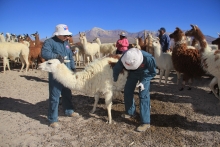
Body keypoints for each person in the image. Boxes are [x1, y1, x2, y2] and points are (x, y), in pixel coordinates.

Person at [41, 24, 79, 128]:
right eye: (65, 35)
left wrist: (73, 68)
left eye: (67, 35)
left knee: (67, 93)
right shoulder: (49, 42)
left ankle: (69, 111)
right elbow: (44, 53)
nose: (67, 37)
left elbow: (70, 56)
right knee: (55, 95)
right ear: (58, 34)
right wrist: (56, 57)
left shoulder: (66, 43)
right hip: (56, 73)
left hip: (66, 73)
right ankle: (52, 119)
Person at [113, 48, 156, 132]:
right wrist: (114, 79)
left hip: (145, 74)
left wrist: (144, 82)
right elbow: (117, 68)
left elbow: (153, 72)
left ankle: (146, 122)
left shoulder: (149, 58)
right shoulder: (126, 56)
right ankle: (130, 112)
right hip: (133, 73)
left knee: (143, 95)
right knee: (127, 91)